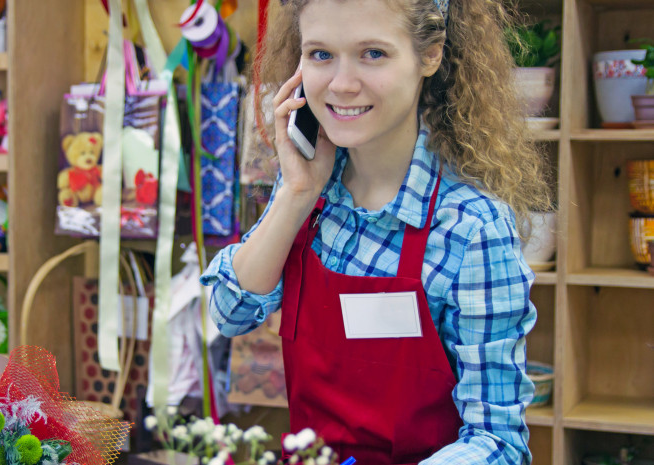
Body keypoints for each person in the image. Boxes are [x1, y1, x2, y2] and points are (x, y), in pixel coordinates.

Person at [200, 0, 553, 464]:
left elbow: (499, 443)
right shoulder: (309, 191)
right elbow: (230, 313)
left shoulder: (471, 228)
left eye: (373, 54)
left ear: (430, 55)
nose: (342, 84)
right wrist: (297, 194)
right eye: (321, 54)